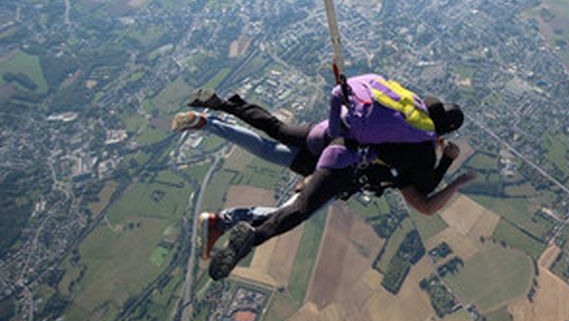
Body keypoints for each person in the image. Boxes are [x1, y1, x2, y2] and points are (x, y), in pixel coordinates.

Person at [172, 75, 474, 280]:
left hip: (325, 134)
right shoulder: (420, 151)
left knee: (275, 132)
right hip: (339, 163)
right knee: (298, 209)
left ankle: (218, 110)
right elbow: (425, 199)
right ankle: (250, 234)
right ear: (444, 132)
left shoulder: (403, 109)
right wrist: (449, 167)